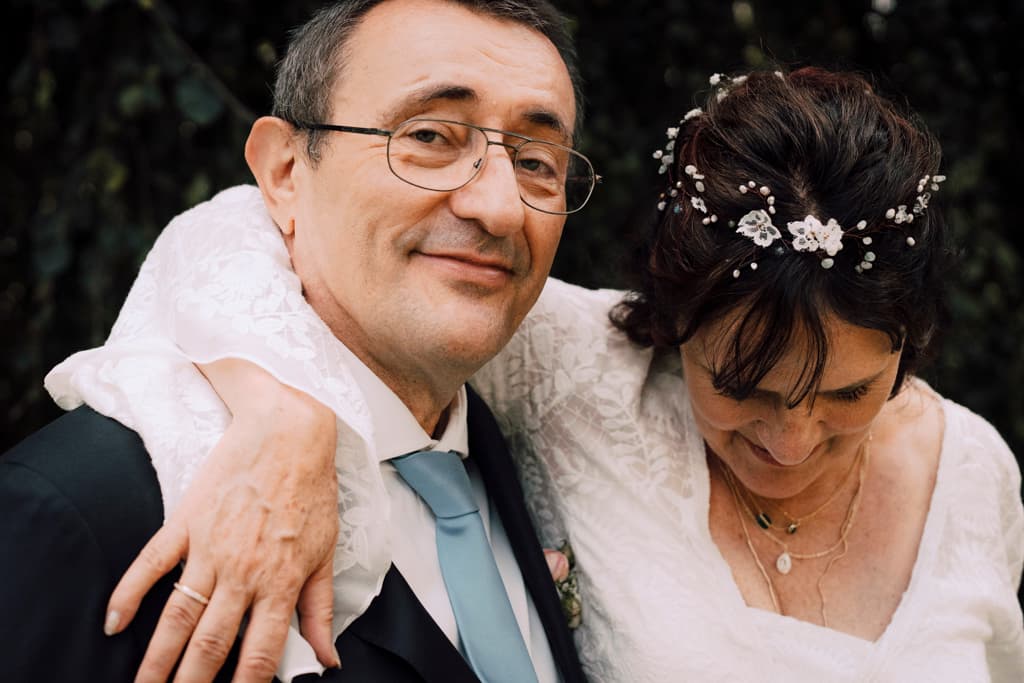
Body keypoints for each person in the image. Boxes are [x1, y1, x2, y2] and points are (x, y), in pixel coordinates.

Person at [46, 65, 1024, 681]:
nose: (791, 436)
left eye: (850, 394)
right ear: (672, 322)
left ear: (913, 342)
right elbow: (248, 221)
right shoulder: (580, 362)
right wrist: (280, 409)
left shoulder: (973, 470)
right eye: (744, 386)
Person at [0, 1, 595, 681]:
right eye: (431, 137)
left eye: (537, 160)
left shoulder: (549, 449)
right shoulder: (81, 507)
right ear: (284, 171)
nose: (499, 206)